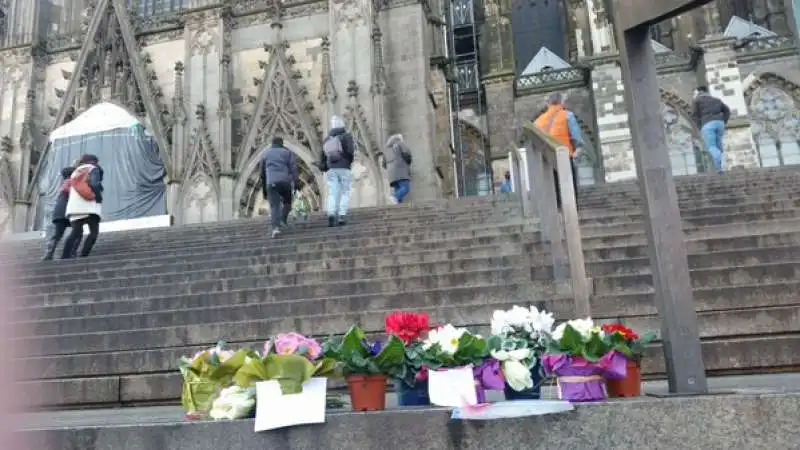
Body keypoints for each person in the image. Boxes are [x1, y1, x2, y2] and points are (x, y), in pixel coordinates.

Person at [534, 92, 585, 209]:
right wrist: (578, 150)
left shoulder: (538, 121)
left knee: (553, 186)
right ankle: (571, 210)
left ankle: (557, 211)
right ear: (562, 102)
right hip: (564, 155)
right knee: (568, 185)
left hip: (547, 158)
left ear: (548, 104)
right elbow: (576, 136)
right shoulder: (567, 115)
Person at [61, 154, 103, 259]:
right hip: (90, 207)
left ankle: (64, 256)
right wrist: (98, 196)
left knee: (74, 233)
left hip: (74, 206)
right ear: (93, 161)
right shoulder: (93, 169)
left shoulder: (75, 172)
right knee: (93, 233)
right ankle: (83, 256)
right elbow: (94, 184)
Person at [260, 136, 300, 238]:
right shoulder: (286, 153)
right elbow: (293, 168)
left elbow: (262, 174)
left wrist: (264, 190)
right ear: (282, 143)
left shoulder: (265, 154)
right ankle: (283, 219)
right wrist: (296, 183)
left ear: (272, 144)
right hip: (285, 182)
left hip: (271, 183)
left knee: (274, 206)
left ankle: (276, 228)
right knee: (288, 202)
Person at [319, 116, 355, 227]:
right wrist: (348, 161)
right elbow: (350, 151)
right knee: (345, 191)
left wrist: (325, 166)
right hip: (344, 167)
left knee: (333, 193)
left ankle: (331, 214)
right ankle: (341, 215)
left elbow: (322, 156)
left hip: (331, 169)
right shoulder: (346, 136)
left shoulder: (327, 139)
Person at [41, 166, 82, 260]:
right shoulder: (71, 182)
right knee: (78, 232)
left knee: (57, 234)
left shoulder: (64, 183)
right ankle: (72, 252)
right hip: (70, 211)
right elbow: (73, 193)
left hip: (59, 212)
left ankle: (49, 253)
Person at [692, 86, 730, 174]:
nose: (694, 95)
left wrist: (700, 126)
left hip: (707, 124)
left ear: (698, 92)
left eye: (694, 93)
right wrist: (724, 121)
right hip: (720, 123)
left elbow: (694, 115)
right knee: (718, 146)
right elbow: (727, 110)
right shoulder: (716, 99)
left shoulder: (697, 101)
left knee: (711, 147)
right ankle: (721, 168)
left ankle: (720, 167)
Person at [384, 134, 413, 204]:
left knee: (398, 189)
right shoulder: (399, 143)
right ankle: (395, 197)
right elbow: (407, 154)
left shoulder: (387, 149)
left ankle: (398, 204)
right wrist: (408, 162)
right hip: (401, 170)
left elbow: (383, 163)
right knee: (406, 188)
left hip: (391, 174)